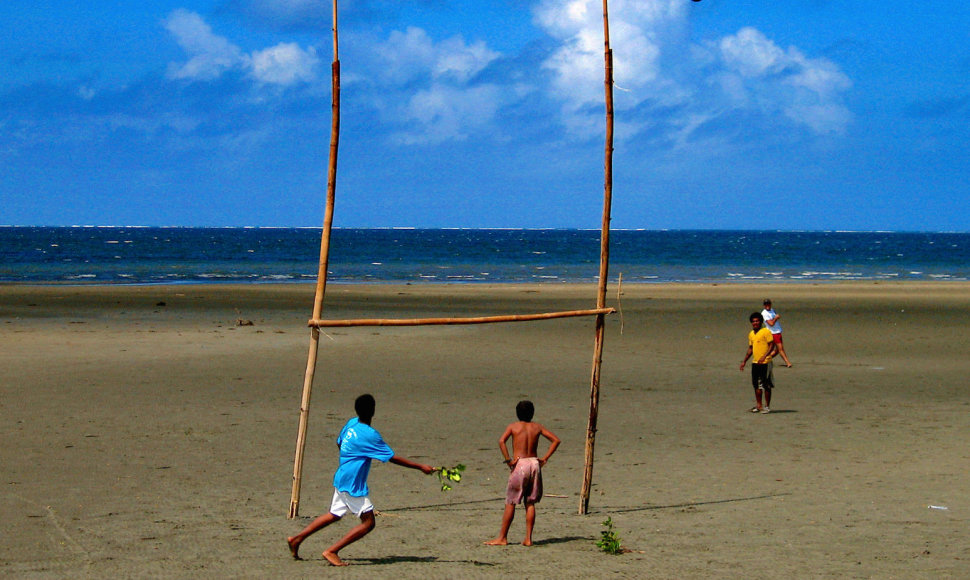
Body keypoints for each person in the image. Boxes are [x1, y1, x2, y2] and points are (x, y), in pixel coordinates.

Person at [287, 394, 435, 566]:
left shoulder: (351, 423)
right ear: (373, 411)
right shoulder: (370, 435)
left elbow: (339, 443)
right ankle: (332, 551)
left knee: (334, 514)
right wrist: (420, 467)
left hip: (342, 476)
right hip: (352, 483)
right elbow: (391, 458)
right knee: (369, 522)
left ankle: (296, 539)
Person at [485, 400, 561, 547]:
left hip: (520, 464)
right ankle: (528, 538)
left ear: (517, 413)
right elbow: (556, 440)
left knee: (511, 501)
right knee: (530, 502)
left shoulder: (513, 427)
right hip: (534, 463)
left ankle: (502, 537)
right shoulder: (537, 427)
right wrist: (545, 458)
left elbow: (502, 441)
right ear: (532, 413)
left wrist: (508, 460)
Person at [739, 312, 778, 414]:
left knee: (766, 384)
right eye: (753, 321)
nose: (755, 323)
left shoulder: (766, 331)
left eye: (757, 321)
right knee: (756, 385)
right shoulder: (751, 334)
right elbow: (750, 349)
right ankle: (759, 405)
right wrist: (744, 361)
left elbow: (772, 345)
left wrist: (764, 356)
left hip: (766, 362)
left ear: (760, 322)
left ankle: (767, 406)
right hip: (755, 362)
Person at [761, 298, 792, 367]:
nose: (767, 305)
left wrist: (776, 317)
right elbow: (771, 324)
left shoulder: (772, 310)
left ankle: (764, 359)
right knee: (780, 349)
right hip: (773, 333)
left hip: (777, 331)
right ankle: (788, 363)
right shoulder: (764, 313)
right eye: (766, 304)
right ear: (764, 305)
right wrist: (776, 318)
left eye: (768, 304)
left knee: (777, 350)